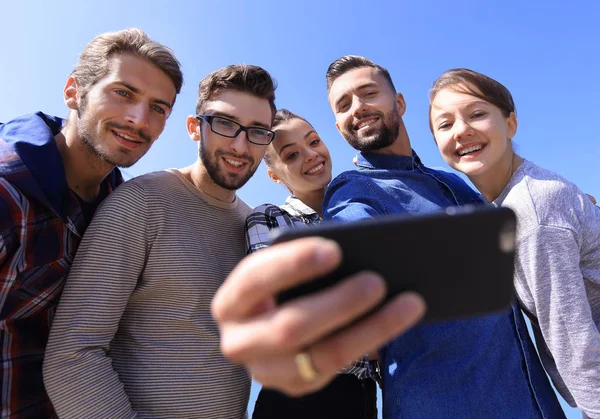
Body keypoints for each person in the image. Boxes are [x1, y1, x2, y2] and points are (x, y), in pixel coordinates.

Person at [322, 55, 565, 418]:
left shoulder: (455, 179)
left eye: (368, 93)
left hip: (533, 401)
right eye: (343, 105)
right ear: (339, 125)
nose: (357, 108)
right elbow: (353, 247)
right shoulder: (352, 191)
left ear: (399, 103)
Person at [43, 64, 278, 418]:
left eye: (258, 131)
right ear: (195, 128)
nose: (241, 145)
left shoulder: (253, 226)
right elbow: (73, 353)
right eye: (226, 124)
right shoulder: (140, 203)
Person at [0, 28, 182, 418]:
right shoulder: (7, 190)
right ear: (74, 92)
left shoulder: (125, 211)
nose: (138, 120)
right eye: (124, 93)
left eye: (158, 108)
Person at [429, 68, 600, 418]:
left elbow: (573, 339)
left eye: (477, 114)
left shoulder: (533, 209)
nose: (462, 130)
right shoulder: (507, 205)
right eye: (445, 125)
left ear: (510, 124)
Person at [245, 109, 378, 419]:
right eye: (291, 155)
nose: (310, 155)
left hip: (363, 395)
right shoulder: (270, 218)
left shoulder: (361, 218)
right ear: (275, 175)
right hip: (298, 399)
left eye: (314, 141)